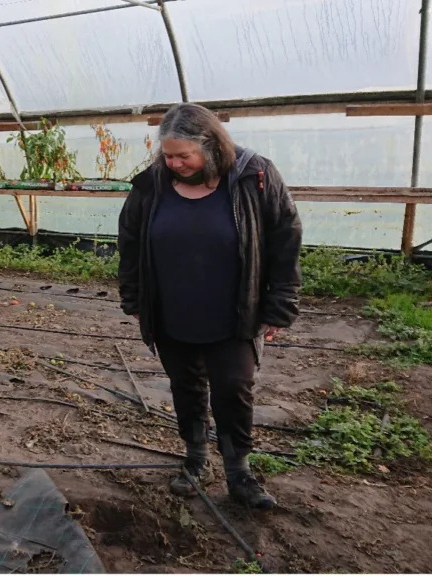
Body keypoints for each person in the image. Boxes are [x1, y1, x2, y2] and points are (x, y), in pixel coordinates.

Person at [117, 103, 302, 510]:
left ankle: (239, 471)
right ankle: (195, 457)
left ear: (213, 146)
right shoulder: (152, 184)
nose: (175, 163)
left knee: (234, 387)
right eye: (168, 155)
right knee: (185, 385)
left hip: (236, 311)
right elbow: (129, 241)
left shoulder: (255, 176)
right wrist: (133, 297)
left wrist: (280, 303)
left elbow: (285, 238)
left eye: (185, 155)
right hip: (171, 311)